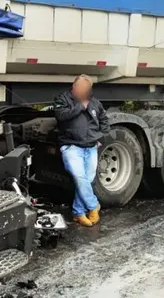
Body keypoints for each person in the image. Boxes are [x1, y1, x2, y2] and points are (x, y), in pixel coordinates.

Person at [53, 74, 110, 227]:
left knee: (88, 179)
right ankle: (93, 206)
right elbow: (61, 116)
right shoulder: (62, 99)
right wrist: (80, 106)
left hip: (91, 145)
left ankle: (78, 212)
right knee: (79, 177)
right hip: (71, 145)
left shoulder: (95, 102)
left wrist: (100, 137)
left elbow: (104, 120)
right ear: (75, 86)